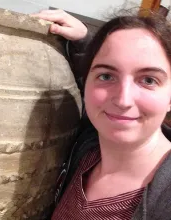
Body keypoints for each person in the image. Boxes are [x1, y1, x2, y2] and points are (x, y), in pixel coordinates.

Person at [33, 9, 171, 219]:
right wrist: (82, 40)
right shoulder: (87, 146)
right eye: (106, 76)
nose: (123, 100)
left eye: (149, 80)